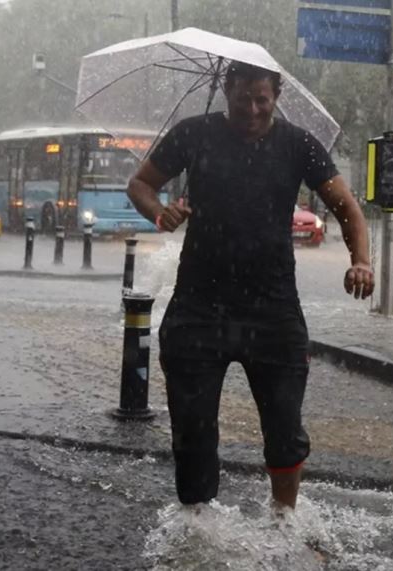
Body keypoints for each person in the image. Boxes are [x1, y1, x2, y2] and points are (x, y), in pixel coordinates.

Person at [126, 62, 374, 512]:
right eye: (244, 98)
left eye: (263, 99)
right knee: (193, 429)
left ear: (276, 95)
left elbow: (347, 208)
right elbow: (140, 184)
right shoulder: (193, 134)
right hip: (199, 307)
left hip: (273, 308)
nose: (254, 110)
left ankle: (285, 520)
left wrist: (361, 261)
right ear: (227, 91)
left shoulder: (298, 144)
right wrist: (159, 213)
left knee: (284, 428)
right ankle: (197, 525)